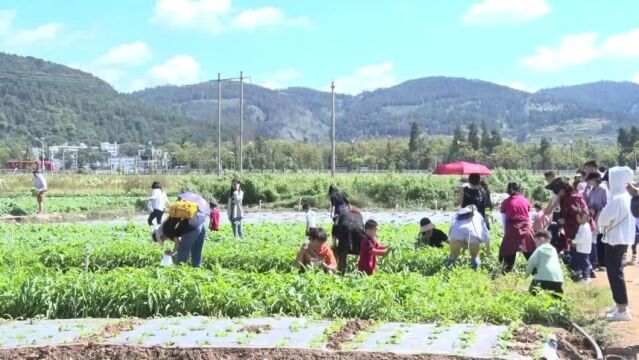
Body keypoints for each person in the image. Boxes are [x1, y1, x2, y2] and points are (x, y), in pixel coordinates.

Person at [598, 166, 634, 321]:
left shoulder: (618, 198)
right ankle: (618, 302)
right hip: (621, 238)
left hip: (615, 239)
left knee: (614, 272)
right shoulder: (627, 196)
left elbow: (604, 219)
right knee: (615, 271)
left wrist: (602, 222)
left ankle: (622, 308)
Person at [152, 194, 209, 267]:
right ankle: (197, 268)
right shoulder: (167, 224)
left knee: (181, 255)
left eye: (161, 240)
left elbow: (178, 244)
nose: (164, 240)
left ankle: (179, 272)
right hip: (200, 223)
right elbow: (178, 242)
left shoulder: (166, 230)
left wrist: (173, 252)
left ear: (160, 236)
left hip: (192, 227)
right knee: (196, 251)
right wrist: (174, 250)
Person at [499, 182, 536, 272]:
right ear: (520, 189)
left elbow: (504, 222)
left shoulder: (505, 202)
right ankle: (537, 276)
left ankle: (506, 276)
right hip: (526, 229)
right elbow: (529, 219)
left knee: (508, 261)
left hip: (511, 230)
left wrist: (506, 234)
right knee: (530, 255)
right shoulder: (525, 201)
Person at [447, 205, 490, 269]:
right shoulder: (478, 215)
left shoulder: (456, 214)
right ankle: (476, 271)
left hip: (455, 234)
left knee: (453, 255)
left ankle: (449, 269)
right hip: (473, 235)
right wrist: (488, 253)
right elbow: (486, 234)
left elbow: (451, 228)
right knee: (475, 256)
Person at [526, 230, 564, 295]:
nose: (535, 245)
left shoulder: (540, 249)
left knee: (532, 296)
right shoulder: (554, 250)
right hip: (559, 280)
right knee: (555, 299)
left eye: (536, 243)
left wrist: (526, 275)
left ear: (541, 239)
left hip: (542, 280)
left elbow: (531, 262)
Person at [583, 172, 608, 271]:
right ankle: (595, 262)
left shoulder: (603, 189)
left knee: (598, 239)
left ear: (595, 180)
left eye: (589, 180)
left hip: (600, 216)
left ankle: (600, 263)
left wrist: (597, 211)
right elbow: (586, 201)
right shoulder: (591, 190)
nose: (588, 182)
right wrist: (586, 190)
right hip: (592, 217)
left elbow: (606, 204)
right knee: (594, 239)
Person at [332, 208, 365, 273]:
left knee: (342, 251)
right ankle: (360, 269)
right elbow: (363, 229)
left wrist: (334, 245)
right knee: (359, 249)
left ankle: (341, 269)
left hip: (344, 231)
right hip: (357, 234)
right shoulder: (360, 216)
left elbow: (335, 227)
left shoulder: (343, 214)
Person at [572, 207, 593, 284]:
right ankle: (584, 276)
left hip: (583, 249)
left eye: (578, 217)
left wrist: (573, 241)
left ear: (583, 217)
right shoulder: (583, 226)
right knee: (583, 262)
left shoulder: (584, 227)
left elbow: (580, 239)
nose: (577, 219)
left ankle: (586, 277)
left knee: (584, 263)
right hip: (582, 248)